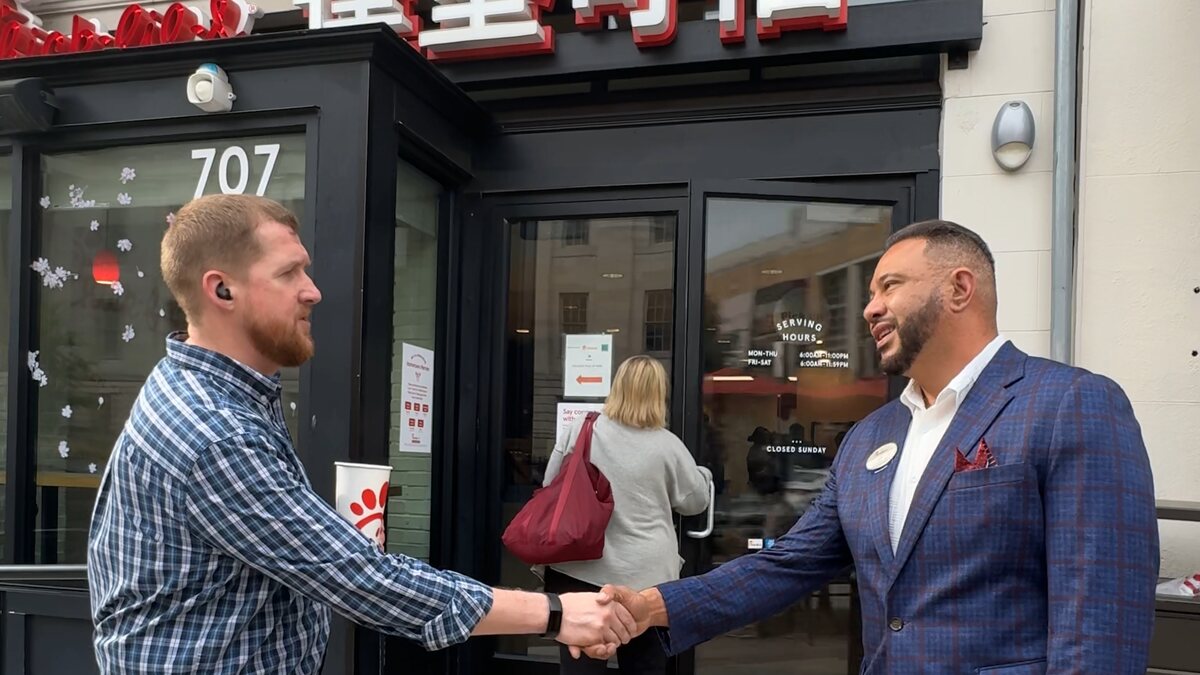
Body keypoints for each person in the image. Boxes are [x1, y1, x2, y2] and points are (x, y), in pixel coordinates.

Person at [86, 195, 635, 674]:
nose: (313, 292)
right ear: (221, 289)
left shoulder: (207, 388)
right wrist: (557, 612)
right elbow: (362, 582)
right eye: (289, 273)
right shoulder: (214, 433)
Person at [597, 220, 1160, 673]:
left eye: (890, 286)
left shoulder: (1072, 403)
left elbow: (1100, 622)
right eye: (868, 292)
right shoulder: (871, 435)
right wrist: (652, 605)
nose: (869, 309)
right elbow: (788, 564)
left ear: (959, 288)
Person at [542, 355, 712, 675]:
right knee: (645, 666)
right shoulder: (668, 446)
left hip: (581, 568)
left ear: (616, 387)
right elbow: (695, 502)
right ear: (658, 394)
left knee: (581, 667)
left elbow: (550, 483)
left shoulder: (581, 429)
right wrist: (702, 474)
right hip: (647, 579)